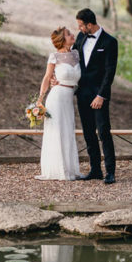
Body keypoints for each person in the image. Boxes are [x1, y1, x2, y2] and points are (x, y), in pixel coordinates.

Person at [73, 8, 118, 184]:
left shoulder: (110, 42)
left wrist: (101, 95)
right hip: (82, 94)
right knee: (88, 133)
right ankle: (95, 170)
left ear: (89, 24)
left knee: (104, 132)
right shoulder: (80, 38)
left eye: (80, 25)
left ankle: (110, 172)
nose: (79, 29)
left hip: (99, 96)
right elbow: (72, 60)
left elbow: (110, 72)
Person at [35, 27, 81, 181]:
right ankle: (56, 169)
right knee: (56, 132)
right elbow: (47, 78)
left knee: (68, 131)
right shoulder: (54, 57)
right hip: (56, 97)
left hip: (69, 98)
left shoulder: (76, 54)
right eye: (69, 34)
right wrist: (39, 100)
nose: (72, 35)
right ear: (62, 39)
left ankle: (69, 168)